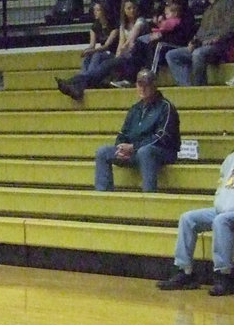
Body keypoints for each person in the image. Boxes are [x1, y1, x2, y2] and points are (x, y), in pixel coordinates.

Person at [157, 150, 234, 297]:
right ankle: (184, 271)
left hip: (227, 214)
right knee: (188, 218)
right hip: (223, 210)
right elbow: (223, 184)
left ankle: (224, 275)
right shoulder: (230, 158)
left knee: (220, 221)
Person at [93, 69, 180, 192]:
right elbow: (123, 133)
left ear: (154, 85)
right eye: (140, 84)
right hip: (135, 151)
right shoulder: (135, 109)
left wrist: (134, 147)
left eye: (147, 85)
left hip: (163, 152)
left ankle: (149, 197)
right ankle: (103, 195)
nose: (143, 89)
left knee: (145, 152)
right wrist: (121, 148)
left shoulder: (166, 107)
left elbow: (162, 137)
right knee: (102, 152)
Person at [55, 0, 147, 100]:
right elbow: (121, 44)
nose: (132, 11)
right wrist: (117, 58)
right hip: (124, 57)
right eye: (129, 8)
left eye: (134, 8)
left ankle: (73, 81)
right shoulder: (123, 25)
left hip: (135, 58)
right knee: (92, 59)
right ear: (124, 11)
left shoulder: (140, 21)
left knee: (104, 63)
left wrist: (119, 55)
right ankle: (78, 86)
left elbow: (131, 39)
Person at [165, 0, 234, 86]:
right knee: (172, 55)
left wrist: (216, 39)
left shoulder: (227, 2)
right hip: (203, 45)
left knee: (198, 54)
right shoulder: (208, 10)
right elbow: (201, 32)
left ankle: (199, 87)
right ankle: (187, 87)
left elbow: (230, 27)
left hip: (220, 47)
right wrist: (193, 41)